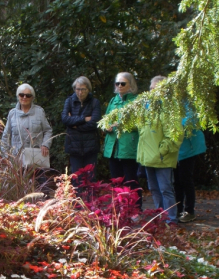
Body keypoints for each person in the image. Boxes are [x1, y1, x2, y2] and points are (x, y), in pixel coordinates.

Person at [137, 75, 182, 223]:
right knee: (154, 189)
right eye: (151, 88)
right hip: (148, 157)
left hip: (162, 157)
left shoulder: (170, 108)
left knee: (165, 189)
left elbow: (175, 135)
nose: (152, 91)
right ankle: (160, 217)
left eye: (156, 88)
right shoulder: (147, 107)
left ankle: (171, 220)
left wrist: (162, 151)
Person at [103, 72, 142, 203]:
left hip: (129, 147)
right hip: (113, 148)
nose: (119, 86)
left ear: (130, 85)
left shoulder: (136, 101)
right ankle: (121, 210)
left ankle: (136, 210)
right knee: (116, 182)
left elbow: (140, 124)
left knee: (131, 182)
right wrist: (106, 126)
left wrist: (121, 124)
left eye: (123, 83)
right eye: (117, 83)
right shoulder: (113, 101)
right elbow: (105, 120)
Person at [61, 76, 101, 179]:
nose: (80, 92)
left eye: (83, 89)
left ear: (88, 89)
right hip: (74, 147)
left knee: (91, 179)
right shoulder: (69, 101)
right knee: (76, 180)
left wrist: (74, 126)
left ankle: (90, 196)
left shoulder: (95, 102)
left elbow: (94, 123)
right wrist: (84, 119)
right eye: (77, 89)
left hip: (91, 147)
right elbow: (65, 119)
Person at [1, 83, 52, 161]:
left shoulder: (39, 112)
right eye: (21, 95)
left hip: (37, 158)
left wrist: (45, 145)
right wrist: (6, 155)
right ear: (18, 96)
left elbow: (48, 130)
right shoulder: (12, 114)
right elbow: (5, 137)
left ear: (32, 97)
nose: (24, 97)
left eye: (28, 95)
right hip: (17, 159)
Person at [175, 111, 206, 223]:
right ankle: (178, 210)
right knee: (177, 181)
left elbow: (190, 123)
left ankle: (189, 211)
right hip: (175, 150)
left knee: (185, 179)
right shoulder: (170, 102)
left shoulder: (188, 105)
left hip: (188, 150)